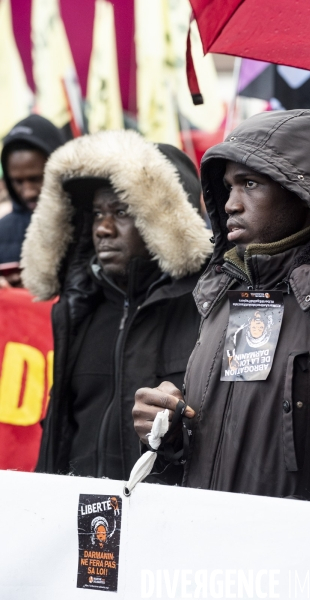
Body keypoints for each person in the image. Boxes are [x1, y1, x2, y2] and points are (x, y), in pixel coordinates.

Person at [134, 109, 310, 509]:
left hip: (292, 571)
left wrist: (276, 544)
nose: (230, 204)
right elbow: (209, 458)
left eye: (251, 184)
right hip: (205, 563)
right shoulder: (223, 298)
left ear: (308, 193)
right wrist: (169, 431)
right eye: (228, 186)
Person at [21, 129, 212, 480]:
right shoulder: (79, 308)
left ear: (163, 218)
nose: (103, 229)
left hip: (164, 522)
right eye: (96, 214)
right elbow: (61, 431)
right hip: (75, 519)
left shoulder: (208, 308)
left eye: (121, 210)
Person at [0, 114, 65, 286]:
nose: (28, 192)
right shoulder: (2, 231)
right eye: (18, 181)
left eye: (36, 178)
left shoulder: (92, 227)